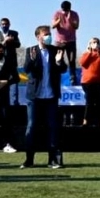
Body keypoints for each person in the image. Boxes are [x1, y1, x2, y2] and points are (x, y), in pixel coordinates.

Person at [22, 25, 68, 169]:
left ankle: (53, 159)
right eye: (46, 34)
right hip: (34, 96)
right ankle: (29, 159)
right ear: (38, 37)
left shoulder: (55, 50)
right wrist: (33, 60)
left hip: (51, 96)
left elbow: (63, 69)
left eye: (49, 34)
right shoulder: (31, 51)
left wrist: (59, 61)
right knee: (32, 127)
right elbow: (27, 69)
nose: (49, 36)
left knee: (53, 127)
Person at [79, 37, 100, 127]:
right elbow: (83, 63)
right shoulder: (86, 54)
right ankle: (86, 119)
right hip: (88, 82)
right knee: (89, 101)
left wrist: (99, 51)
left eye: (96, 42)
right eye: (93, 42)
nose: (95, 44)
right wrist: (89, 52)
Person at [52, 0, 80, 85]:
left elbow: (76, 26)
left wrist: (70, 20)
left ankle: (72, 78)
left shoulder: (74, 14)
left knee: (72, 60)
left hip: (71, 41)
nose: (65, 11)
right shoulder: (57, 13)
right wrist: (58, 21)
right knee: (58, 59)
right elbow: (52, 26)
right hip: (59, 41)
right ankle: (57, 76)